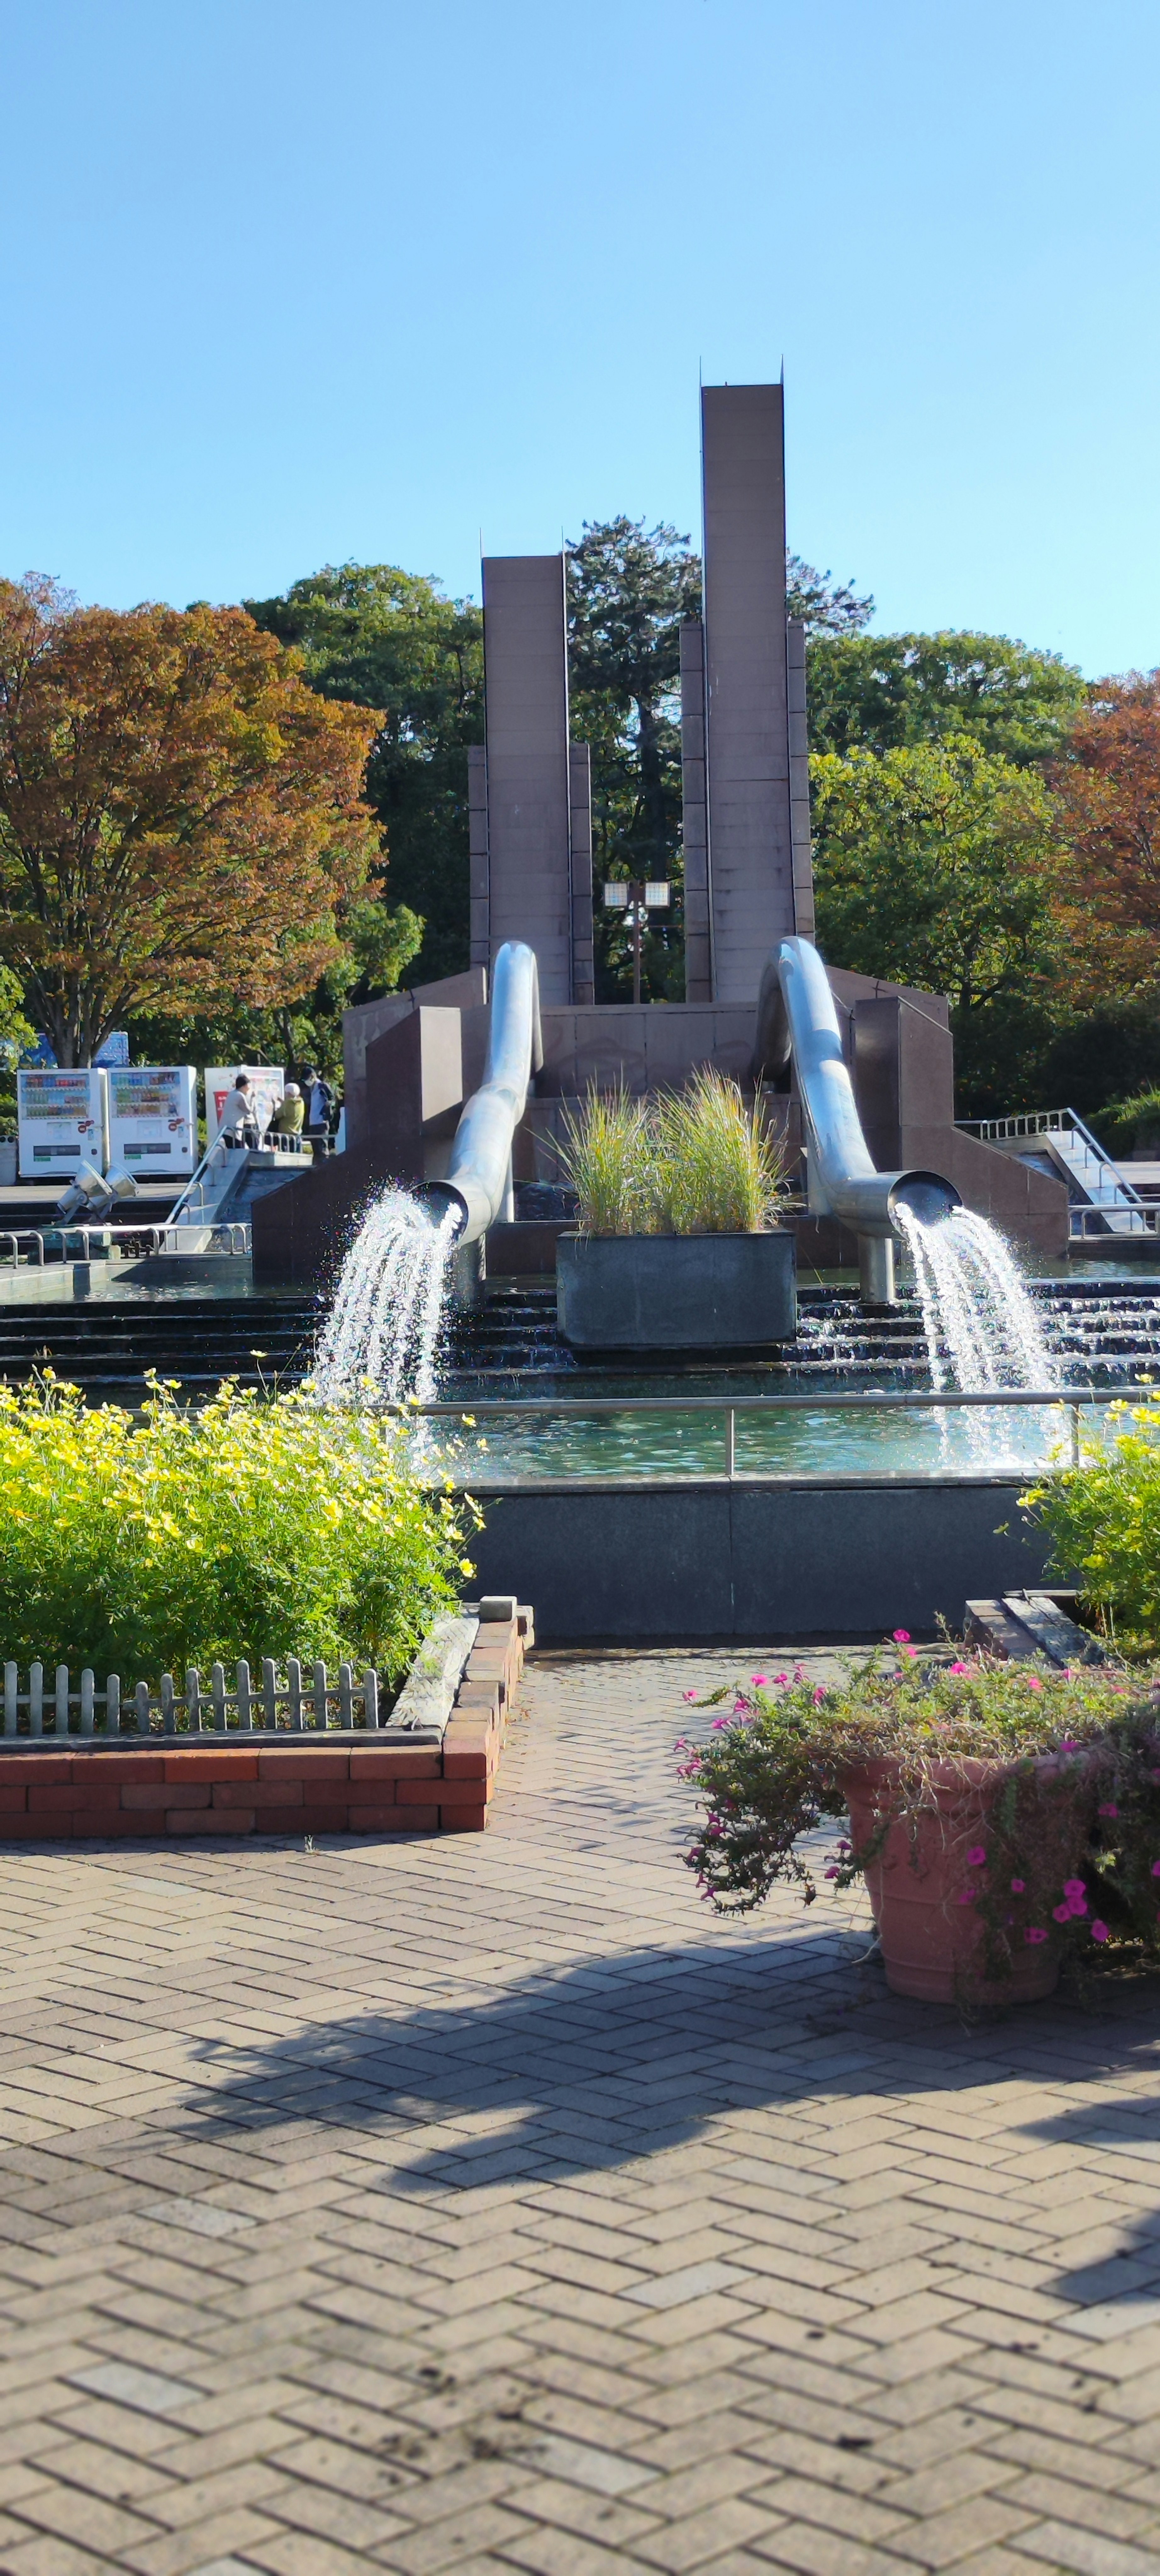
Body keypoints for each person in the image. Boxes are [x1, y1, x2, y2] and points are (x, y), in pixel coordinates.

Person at [217, 1072, 259, 1148]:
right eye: (248, 1086)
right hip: (232, 1132)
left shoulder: (232, 1094)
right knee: (238, 1154)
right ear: (244, 1086)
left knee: (235, 1152)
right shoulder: (240, 1096)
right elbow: (249, 1111)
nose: (249, 1088)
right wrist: (253, 1098)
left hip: (227, 1130)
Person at [303, 1068, 336, 1154]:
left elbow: (333, 1101)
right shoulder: (310, 1090)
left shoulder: (322, 1086)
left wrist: (328, 1105)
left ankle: (325, 1166)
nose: (307, 1082)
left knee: (323, 1150)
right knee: (316, 1151)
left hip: (322, 1122)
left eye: (308, 1078)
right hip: (312, 1123)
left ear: (313, 1076)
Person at [266, 1082, 304, 1148]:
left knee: (286, 1156)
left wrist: (275, 1105)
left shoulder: (288, 1103)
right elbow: (292, 1110)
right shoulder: (301, 1102)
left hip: (286, 1135)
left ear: (289, 1093)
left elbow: (277, 1115)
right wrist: (283, 1103)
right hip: (297, 1135)